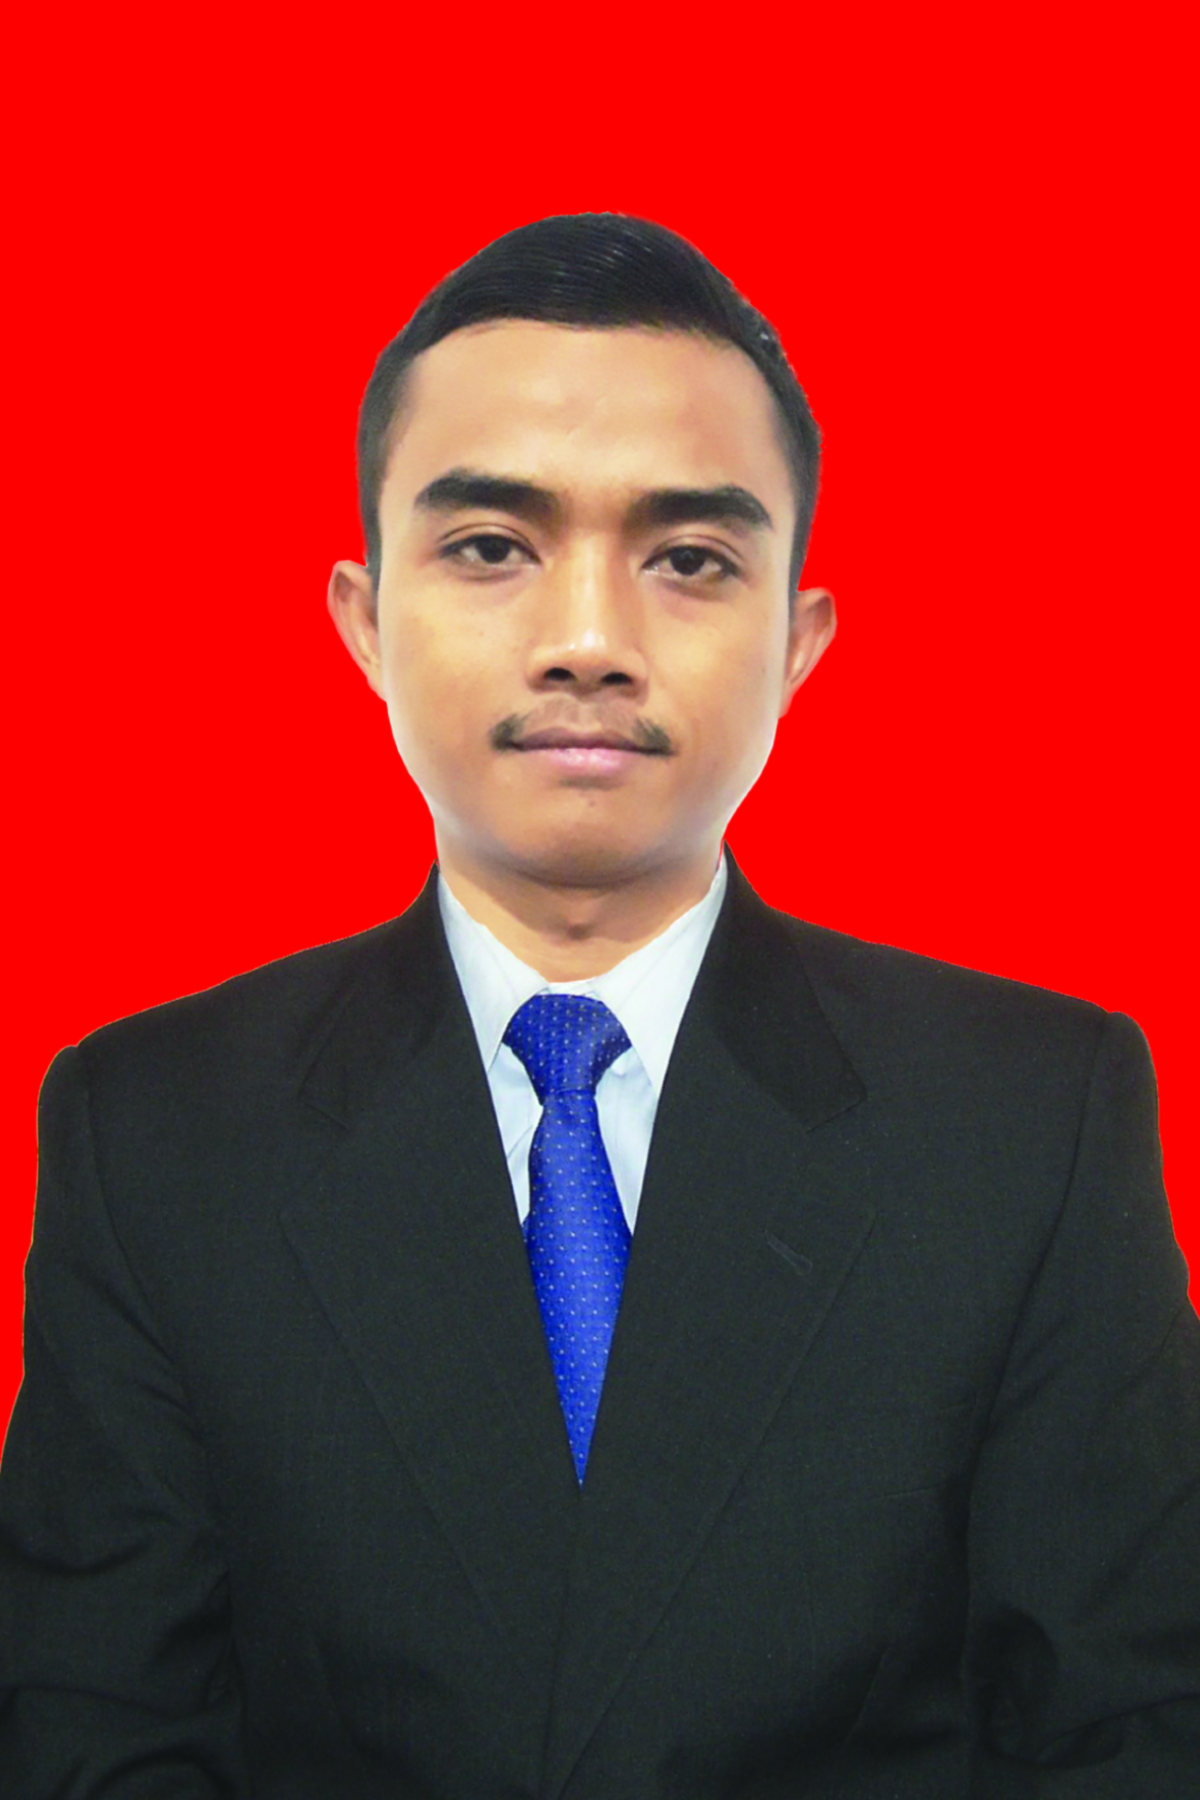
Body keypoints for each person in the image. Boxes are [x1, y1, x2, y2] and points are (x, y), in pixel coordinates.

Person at [1, 212, 1197, 1799]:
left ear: (799, 642)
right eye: (492, 547)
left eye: (688, 561)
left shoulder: (1032, 1118)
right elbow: (96, 1735)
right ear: (364, 620)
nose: (587, 644)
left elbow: (1126, 1729)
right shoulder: (154, 1128)